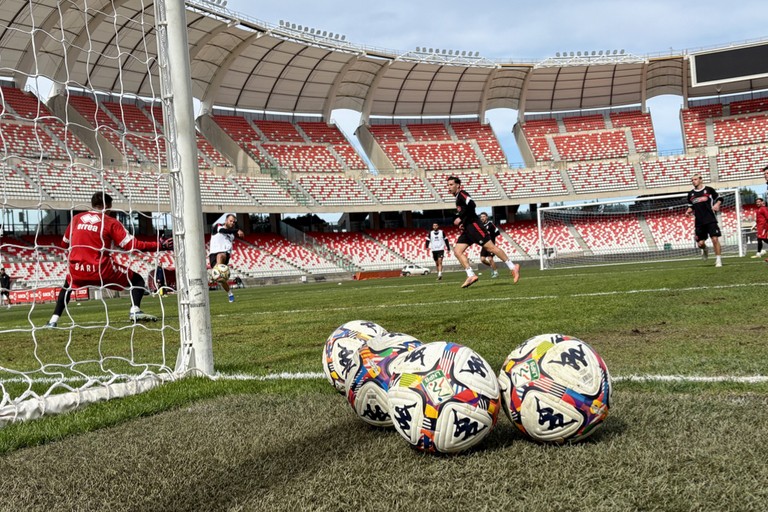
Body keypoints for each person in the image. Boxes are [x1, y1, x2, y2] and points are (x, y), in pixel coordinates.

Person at [45, 192, 173, 327]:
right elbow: (132, 245)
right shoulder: (110, 222)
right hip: (102, 270)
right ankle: (135, 310)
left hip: (77, 269)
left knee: (67, 287)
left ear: (93, 204)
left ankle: (53, 320)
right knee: (137, 280)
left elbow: (64, 244)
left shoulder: (76, 218)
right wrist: (160, 245)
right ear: (108, 206)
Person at [446, 176, 520, 288]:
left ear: (458, 185)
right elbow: (464, 211)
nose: (449, 187)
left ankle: (513, 267)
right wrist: (461, 221)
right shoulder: (457, 198)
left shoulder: (462, 194)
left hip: (474, 226)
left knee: (491, 248)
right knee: (457, 251)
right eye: (448, 185)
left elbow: (472, 204)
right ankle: (470, 275)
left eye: (451, 184)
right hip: (467, 229)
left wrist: (462, 219)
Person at [686, 174, 723, 268]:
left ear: (701, 180)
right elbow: (691, 206)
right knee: (700, 243)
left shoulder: (709, 190)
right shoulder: (690, 194)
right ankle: (705, 249)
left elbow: (720, 198)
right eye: (692, 180)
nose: (693, 181)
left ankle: (718, 260)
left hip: (710, 219)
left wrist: (717, 204)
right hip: (699, 222)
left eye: (695, 179)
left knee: (715, 239)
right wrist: (688, 211)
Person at [209, 213, 244, 303]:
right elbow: (223, 231)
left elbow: (229, 237)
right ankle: (230, 293)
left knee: (220, 255)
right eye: (230, 221)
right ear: (226, 221)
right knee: (220, 279)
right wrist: (236, 231)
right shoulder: (218, 226)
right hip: (213, 254)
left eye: (234, 222)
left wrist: (235, 231)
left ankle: (215, 274)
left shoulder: (232, 235)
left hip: (224, 254)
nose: (232, 223)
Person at [479, 212, 501, 278]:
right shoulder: (480, 225)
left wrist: (491, 236)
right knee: (482, 259)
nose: (482, 218)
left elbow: (498, 232)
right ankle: (492, 266)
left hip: (491, 244)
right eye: (481, 217)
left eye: (483, 216)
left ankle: (496, 272)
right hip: (484, 244)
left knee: (490, 258)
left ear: (486, 217)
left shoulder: (490, 224)